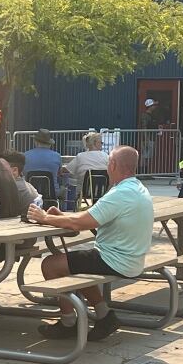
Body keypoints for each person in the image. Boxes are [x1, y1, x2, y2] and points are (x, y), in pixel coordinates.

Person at [26, 146, 152, 342]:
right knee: (78, 262)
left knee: (50, 264)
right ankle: (104, 315)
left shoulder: (119, 194)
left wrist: (44, 217)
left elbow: (79, 224)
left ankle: (68, 323)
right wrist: (63, 216)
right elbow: (90, 216)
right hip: (132, 259)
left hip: (115, 260)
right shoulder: (137, 188)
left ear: (112, 165)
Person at [24, 129, 62, 194]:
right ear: (50, 144)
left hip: (29, 194)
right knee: (64, 190)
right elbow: (59, 174)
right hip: (52, 193)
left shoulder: (25, 155)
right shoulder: (57, 156)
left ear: (36, 142)